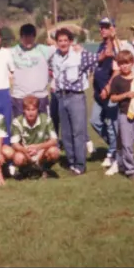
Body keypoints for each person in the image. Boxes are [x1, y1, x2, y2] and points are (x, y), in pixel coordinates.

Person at [48, 28, 97, 175]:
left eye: (65, 40)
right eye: (60, 41)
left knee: (78, 132)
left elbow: (98, 59)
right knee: (66, 133)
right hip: (61, 97)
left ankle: (80, 165)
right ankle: (71, 162)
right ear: (56, 43)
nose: (62, 43)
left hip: (76, 97)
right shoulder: (54, 57)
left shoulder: (79, 54)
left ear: (70, 41)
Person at [101, 50, 134, 179]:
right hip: (125, 115)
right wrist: (126, 95)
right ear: (118, 65)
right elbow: (113, 98)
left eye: (127, 63)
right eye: (121, 64)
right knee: (126, 144)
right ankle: (130, 169)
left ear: (132, 63)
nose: (124, 66)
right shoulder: (117, 80)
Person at [6, 95, 61, 178]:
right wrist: (25, 151)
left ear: (37, 109)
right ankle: (27, 169)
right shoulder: (17, 121)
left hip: (41, 152)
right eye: (28, 110)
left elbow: (54, 140)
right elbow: (14, 144)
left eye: (33, 109)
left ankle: (43, 168)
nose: (30, 112)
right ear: (24, 110)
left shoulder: (46, 119)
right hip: (26, 152)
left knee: (54, 151)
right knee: (18, 158)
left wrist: (38, 147)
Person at [92, 17, 121, 168]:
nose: (102, 29)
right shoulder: (101, 45)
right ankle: (115, 146)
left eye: (106, 27)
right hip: (98, 93)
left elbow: (117, 68)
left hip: (109, 93)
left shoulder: (116, 45)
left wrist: (108, 87)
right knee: (95, 121)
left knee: (111, 124)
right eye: (101, 27)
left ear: (112, 29)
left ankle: (113, 153)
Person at [10, 24, 53, 118]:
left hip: (40, 96)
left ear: (34, 36)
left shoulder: (44, 50)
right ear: (21, 37)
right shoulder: (12, 52)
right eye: (25, 36)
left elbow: (63, 49)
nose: (28, 39)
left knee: (42, 129)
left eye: (31, 36)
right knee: (20, 129)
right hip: (20, 97)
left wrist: (53, 42)